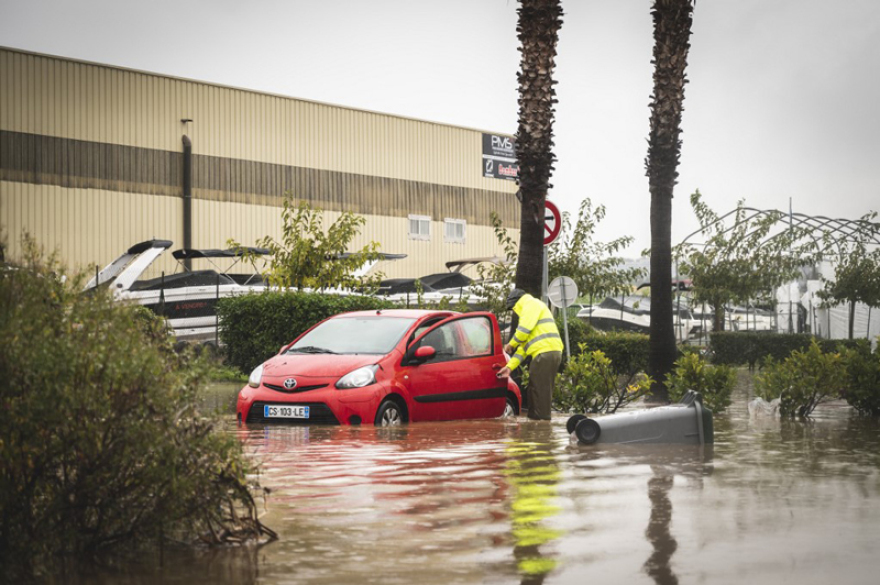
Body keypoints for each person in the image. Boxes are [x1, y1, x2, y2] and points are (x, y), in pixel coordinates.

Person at [497, 288, 563, 420]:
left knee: (539, 392)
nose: (514, 311)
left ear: (516, 303)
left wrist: (510, 344)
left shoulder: (530, 304)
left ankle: (541, 426)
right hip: (548, 352)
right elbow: (522, 350)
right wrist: (509, 367)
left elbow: (523, 331)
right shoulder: (533, 308)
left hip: (544, 353)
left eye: (513, 308)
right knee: (536, 390)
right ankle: (536, 423)